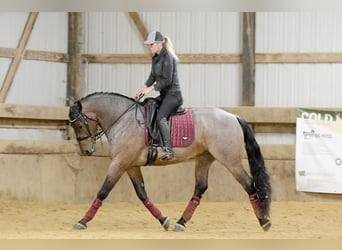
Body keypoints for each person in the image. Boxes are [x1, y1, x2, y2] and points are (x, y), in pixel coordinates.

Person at [135, 31, 183, 161]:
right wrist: (142, 89)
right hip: (164, 95)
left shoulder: (168, 58)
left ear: (158, 44)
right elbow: (152, 76)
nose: (149, 47)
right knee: (149, 105)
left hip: (173, 95)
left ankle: (168, 149)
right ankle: (155, 141)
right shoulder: (155, 58)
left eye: (151, 44)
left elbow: (166, 81)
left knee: (161, 117)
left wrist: (150, 89)